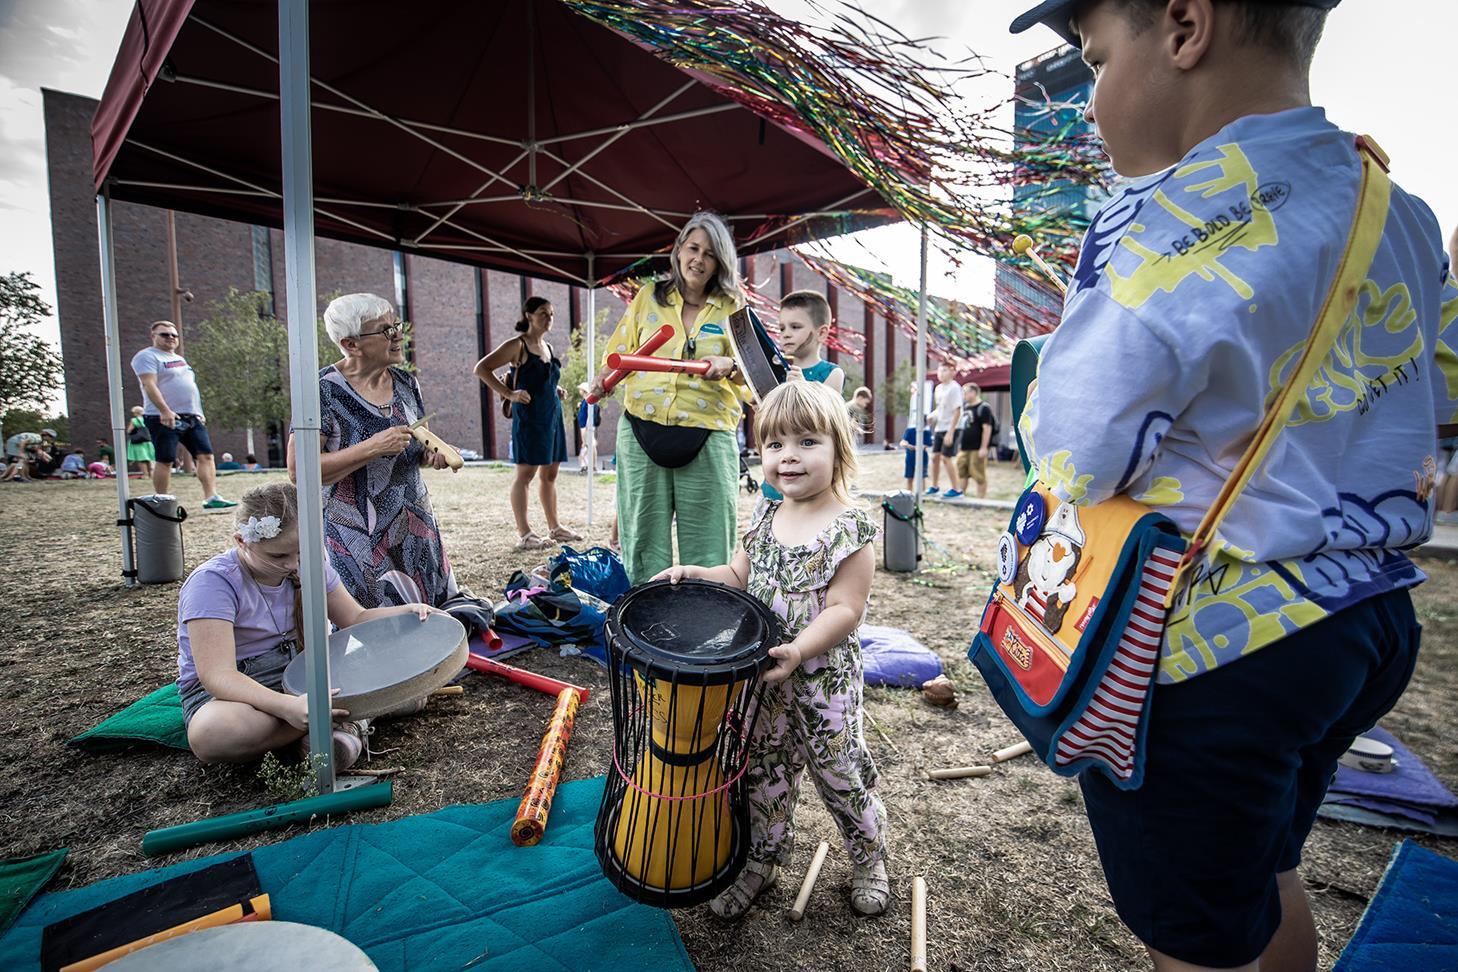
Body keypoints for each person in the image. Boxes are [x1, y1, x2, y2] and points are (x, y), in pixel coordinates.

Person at [1007, 2, 1455, 970]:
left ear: (1183, 27)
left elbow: (1080, 448)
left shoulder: (1174, 215)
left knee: (1201, 942)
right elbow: (1443, 400)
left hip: (1215, 644)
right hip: (1362, 623)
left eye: (1095, 61)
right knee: (1262, 871)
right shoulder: (1397, 206)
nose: (1090, 101)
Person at [655, 381, 888, 918]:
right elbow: (738, 574)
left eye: (807, 442)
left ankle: (868, 857)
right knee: (763, 772)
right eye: (775, 444)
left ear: (838, 449)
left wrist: (799, 650)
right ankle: (760, 862)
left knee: (840, 773)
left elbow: (845, 609)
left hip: (821, 681)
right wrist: (696, 575)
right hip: (761, 682)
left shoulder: (850, 528)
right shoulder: (763, 518)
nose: (788, 456)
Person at [177, 482, 446, 767]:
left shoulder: (311, 564)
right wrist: (287, 706)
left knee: (388, 659)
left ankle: (328, 724)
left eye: (302, 553)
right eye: (277, 556)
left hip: (305, 673)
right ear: (241, 541)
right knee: (212, 732)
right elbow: (218, 676)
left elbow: (354, 619)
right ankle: (354, 716)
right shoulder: (212, 583)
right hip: (238, 693)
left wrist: (407, 613)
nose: (293, 565)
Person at [587, 212, 749, 582]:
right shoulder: (648, 298)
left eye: (710, 253)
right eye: (692, 248)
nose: (699, 259)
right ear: (677, 252)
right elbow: (619, 354)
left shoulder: (733, 305)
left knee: (710, 546)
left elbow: (753, 376)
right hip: (642, 430)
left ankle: (704, 624)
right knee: (643, 540)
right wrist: (603, 380)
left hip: (708, 433)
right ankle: (647, 625)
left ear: (720, 261)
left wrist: (728, 363)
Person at [288, 293, 460, 608]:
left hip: (414, 523)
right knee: (374, 629)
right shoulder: (320, 390)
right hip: (358, 535)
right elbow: (299, 471)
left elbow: (413, 447)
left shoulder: (406, 382)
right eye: (385, 330)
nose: (397, 336)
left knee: (428, 621)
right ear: (351, 344)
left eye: (396, 325)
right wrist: (372, 447)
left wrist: (429, 455)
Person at [473, 299, 580, 549]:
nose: (549, 318)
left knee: (550, 474)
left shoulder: (549, 347)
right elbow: (482, 368)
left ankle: (555, 528)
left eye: (551, 314)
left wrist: (557, 390)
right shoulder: (517, 345)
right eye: (543, 313)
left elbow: (543, 381)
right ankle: (525, 534)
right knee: (525, 475)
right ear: (529, 315)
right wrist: (509, 394)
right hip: (530, 420)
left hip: (552, 417)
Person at [130, 321, 235, 508]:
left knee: (206, 455)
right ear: (153, 336)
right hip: (163, 416)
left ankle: (211, 497)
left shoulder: (180, 359)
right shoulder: (147, 356)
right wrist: (164, 410)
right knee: (165, 459)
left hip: (191, 416)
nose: (170, 337)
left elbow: (189, 388)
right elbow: (149, 384)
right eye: (165, 334)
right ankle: (161, 501)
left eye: (174, 335)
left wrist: (198, 412)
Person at [758, 291, 847, 507]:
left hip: (811, 484)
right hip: (776, 483)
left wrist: (799, 388)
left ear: (821, 332)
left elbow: (824, 422)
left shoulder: (832, 374)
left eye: (795, 327)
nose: (785, 334)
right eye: (781, 328)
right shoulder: (775, 374)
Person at [927, 361, 962, 497]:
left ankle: (957, 489)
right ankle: (934, 486)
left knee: (946, 458)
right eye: (940, 370)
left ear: (953, 372)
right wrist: (932, 416)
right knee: (935, 457)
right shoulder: (938, 388)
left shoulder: (954, 388)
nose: (941, 373)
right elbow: (940, 408)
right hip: (939, 428)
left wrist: (950, 432)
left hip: (951, 428)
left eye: (945, 370)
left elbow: (957, 410)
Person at [954, 383, 996, 499]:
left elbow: (987, 428)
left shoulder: (984, 408)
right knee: (962, 473)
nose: (964, 395)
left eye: (966, 392)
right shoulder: (966, 407)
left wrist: (983, 447)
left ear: (974, 392)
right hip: (964, 448)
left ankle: (980, 499)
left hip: (976, 448)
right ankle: (961, 496)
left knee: (978, 475)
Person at [901, 384, 930, 491]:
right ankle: (909, 493)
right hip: (910, 457)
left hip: (922, 457)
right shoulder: (910, 430)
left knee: (922, 477)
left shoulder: (926, 432)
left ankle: (923, 493)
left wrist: (920, 447)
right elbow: (902, 442)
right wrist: (909, 446)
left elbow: (927, 444)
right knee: (909, 477)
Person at [575, 386, 602, 475]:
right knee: (590, 445)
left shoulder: (588, 401)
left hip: (586, 427)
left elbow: (588, 416)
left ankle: (587, 466)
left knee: (587, 446)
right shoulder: (586, 401)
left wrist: (586, 428)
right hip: (587, 426)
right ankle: (590, 466)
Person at [126, 405, 155, 478]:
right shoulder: (147, 419)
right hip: (148, 441)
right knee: (149, 458)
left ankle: (145, 474)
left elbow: (129, 430)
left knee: (141, 459)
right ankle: (152, 474)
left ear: (135, 413)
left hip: (138, 442)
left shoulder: (134, 420)